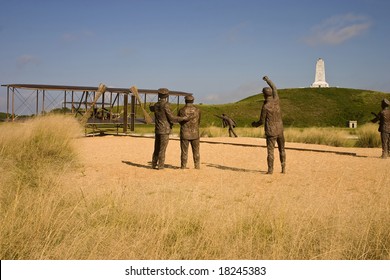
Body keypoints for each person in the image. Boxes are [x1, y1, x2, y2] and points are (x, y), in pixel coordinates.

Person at [252, 76, 286, 174]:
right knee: (282, 149)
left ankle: (270, 170)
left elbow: (261, 121)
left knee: (270, 151)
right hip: (280, 129)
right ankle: (283, 168)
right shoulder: (276, 100)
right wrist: (268, 80)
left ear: (264, 95)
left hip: (271, 131)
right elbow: (274, 88)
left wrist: (255, 124)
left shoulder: (265, 107)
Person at [150, 88, 187, 170]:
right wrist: (182, 118)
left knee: (156, 148)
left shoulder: (156, 105)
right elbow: (172, 118)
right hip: (165, 129)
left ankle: (153, 164)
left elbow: (151, 108)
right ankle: (160, 166)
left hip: (158, 129)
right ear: (167, 95)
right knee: (162, 149)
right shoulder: (166, 105)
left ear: (159, 95)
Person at [178, 95, 201, 169]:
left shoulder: (181, 110)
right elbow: (199, 121)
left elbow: (180, 121)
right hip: (195, 133)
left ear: (185, 101)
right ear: (193, 101)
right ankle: (197, 165)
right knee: (196, 151)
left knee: (184, 151)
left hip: (185, 133)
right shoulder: (197, 110)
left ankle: (183, 166)